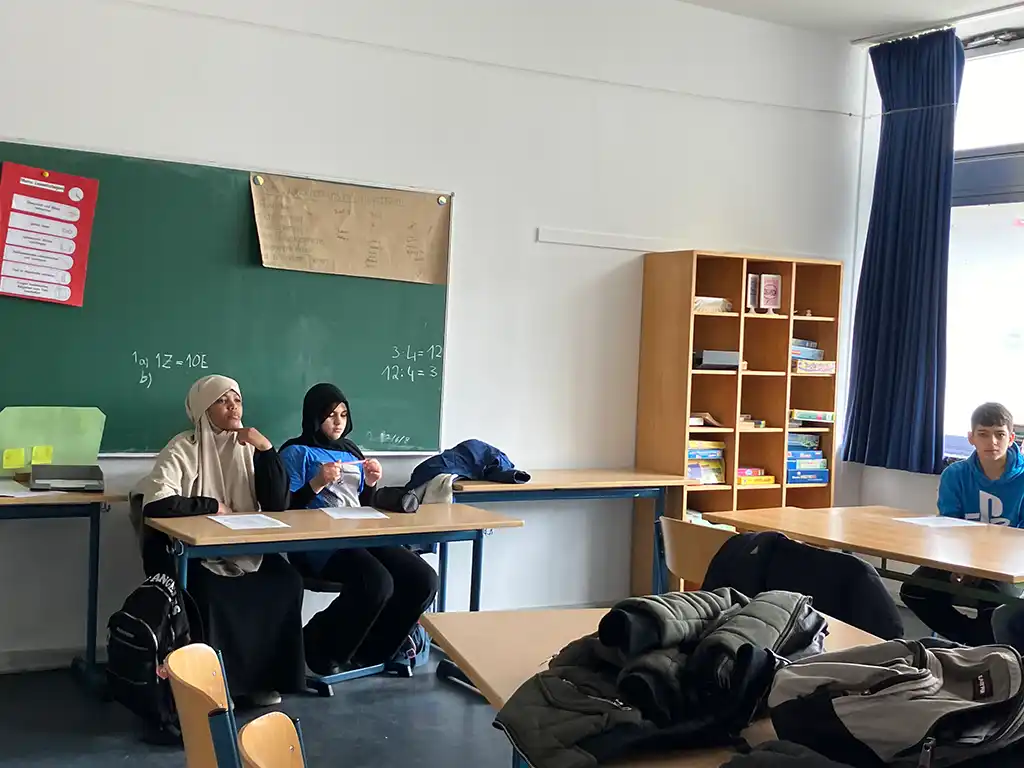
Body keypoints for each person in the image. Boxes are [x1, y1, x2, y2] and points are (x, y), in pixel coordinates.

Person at [135, 374, 305, 707]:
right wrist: (211, 505)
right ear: (203, 408)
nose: (233, 407)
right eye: (222, 401)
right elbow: (156, 504)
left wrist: (266, 450)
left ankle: (264, 681)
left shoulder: (247, 448)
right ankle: (217, 686)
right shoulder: (183, 447)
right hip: (197, 554)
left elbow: (277, 504)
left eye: (237, 400)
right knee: (211, 593)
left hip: (244, 549)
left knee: (286, 581)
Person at [280, 383, 438, 675]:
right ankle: (318, 645)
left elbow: (363, 504)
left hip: (361, 535)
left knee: (423, 579)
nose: (338, 422)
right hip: (319, 544)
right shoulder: (295, 452)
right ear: (314, 416)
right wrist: (317, 483)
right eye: (330, 415)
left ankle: (370, 652)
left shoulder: (350, 451)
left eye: (343, 414)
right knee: (376, 582)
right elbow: (284, 507)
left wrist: (372, 482)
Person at [900, 402, 1024, 646]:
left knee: (993, 602)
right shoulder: (955, 474)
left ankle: (981, 650)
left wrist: (982, 566)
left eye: (999, 434)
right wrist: (959, 565)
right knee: (915, 591)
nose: (992, 442)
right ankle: (971, 642)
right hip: (962, 558)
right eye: (983, 434)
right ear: (971, 438)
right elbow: (949, 525)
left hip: (1009, 564)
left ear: (1011, 438)